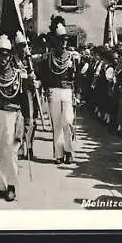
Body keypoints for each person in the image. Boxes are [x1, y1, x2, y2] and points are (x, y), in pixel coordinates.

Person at [0, 34, 31, 202]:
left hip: (14, 116)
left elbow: (25, 100)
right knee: (0, 150)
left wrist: (28, 120)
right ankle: (2, 184)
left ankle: (11, 186)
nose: (2, 58)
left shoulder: (19, 75)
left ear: (10, 56)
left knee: (11, 151)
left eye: (5, 54)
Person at [38, 17, 81, 164]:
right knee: (56, 124)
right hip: (53, 92)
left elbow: (77, 78)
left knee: (68, 123)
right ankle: (58, 153)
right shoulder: (47, 58)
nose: (63, 43)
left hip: (67, 92)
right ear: (54, 41)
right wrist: (43, 89)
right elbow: (43, 76)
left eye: (65, 40)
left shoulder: (72, 58)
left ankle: (68, 150)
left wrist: (78, 94)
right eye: (60, 40)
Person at [13, 30, 37, 160]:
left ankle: (29, 146)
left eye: (24, 45)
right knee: (19, 121)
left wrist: (35, 78)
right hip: (17, 94)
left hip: (29, 93)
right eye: (20, 46)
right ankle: (20, 147)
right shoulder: (12, 60)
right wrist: (26, 76)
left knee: (31, 121)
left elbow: (36, 75)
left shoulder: (30, 60)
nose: (23, 48)